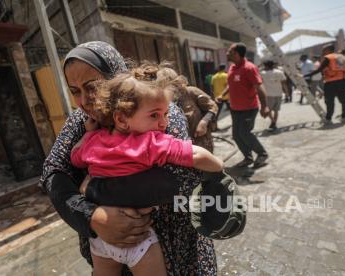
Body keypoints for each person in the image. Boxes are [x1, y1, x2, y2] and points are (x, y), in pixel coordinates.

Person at [39, 41, 218, 275]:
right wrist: (91, 216)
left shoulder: (156, 112)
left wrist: (93, 188)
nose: (83, 101)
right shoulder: (80, 123)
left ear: (116, 77)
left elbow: (180, 178)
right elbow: (53, 172)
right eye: (75, 91)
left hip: (176, 251)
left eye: (92, 87)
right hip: (109, 255)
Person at [71, 72, 224, 275]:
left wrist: (88, 134)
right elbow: (195, 155)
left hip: (101, 239)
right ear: (122, 119)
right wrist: (218, 165)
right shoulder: (150, 142)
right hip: (139, 239)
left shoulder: (95, 140)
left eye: (166, 114)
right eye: (154, 115)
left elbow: (75, 157)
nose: (163, 123)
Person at [223, 43, 270, 168]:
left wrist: (265, 106)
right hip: (235, 109)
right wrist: (223, 94)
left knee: (244, 133)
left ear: (237, 54)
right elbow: (231, 84)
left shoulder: (249, 68)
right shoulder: (232, 67)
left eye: (230, 51)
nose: (227, 53)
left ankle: (262, 154)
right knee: (236, 135)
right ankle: (248, 158)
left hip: (248, 109)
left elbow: (259, 86)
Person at [153, 67, 218, 152]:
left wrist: (204, 122)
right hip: (181, 149)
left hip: (201, 143)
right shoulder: (162, 100)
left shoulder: (190, 92)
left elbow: (213, 106)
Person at [306, 44, 345, 123]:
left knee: (329, 101)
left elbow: (319, 69)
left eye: (324, 50)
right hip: (342, 80)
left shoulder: (328, 58)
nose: (323, 52)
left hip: (331, 82)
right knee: (343, 99)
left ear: (329, 50)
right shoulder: (341, 57)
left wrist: (306, 75)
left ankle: (328, 118)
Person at [260, 61, 288, 131]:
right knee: (276, 110)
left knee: (268, 110)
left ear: (265, 66)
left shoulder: (262, 73)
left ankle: (273, 121)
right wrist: (287, 92)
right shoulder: (280, 72)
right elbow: (284, 83)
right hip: (278, 93)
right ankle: (274, 122)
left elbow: (260, 84)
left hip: (268, 94)